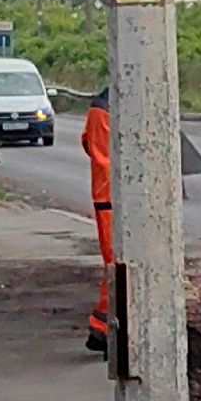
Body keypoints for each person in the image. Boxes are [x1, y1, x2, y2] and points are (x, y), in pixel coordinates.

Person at [82, 87, 113, 354]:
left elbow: (86, 142)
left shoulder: (99, 108)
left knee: (114, 265)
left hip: (106, 198)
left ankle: (102, 328)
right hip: (116, 200)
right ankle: (103, 328)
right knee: (119, 267)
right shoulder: (113, 111)